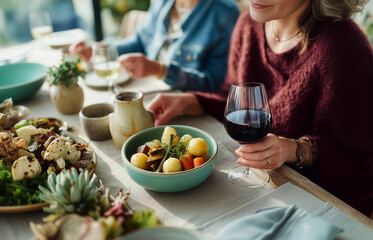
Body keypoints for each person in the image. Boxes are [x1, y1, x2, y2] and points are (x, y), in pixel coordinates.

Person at [147, 0, 373, 218]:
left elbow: (360, 156)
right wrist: (193, 101)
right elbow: (236, 98)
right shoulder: (249, 23)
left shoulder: (342, 46)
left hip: (327, 205)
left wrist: (292, 149)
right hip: (267, 186)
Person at [69, 0, 240, 92]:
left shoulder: (226, 13)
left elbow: (216, 84)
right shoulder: (163, 2)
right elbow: (139, 41)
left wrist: (160, 70)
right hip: (147, 90)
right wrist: (102, 50)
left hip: (186, 105)